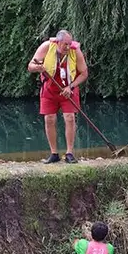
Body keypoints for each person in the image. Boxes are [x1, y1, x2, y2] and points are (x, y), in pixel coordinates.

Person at [27, 29, 90, 164]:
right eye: (65, 44)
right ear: (58, 42)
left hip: (69, 89)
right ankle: (54, 153)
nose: (68, 47)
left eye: (69, 44)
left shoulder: (75, 51)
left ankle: (69, 153)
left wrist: (71, 87)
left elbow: (84, 73)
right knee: (49, 119)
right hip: (49, 89)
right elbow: (31, 66)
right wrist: (39, 68)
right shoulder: (46, 47)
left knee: (70, 117)